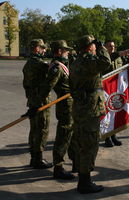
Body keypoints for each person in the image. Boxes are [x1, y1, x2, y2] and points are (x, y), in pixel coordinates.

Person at [69, 35, 111, 194]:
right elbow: (105, 62)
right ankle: (84, 182)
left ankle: (82, 177)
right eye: (94, 45)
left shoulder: (75, 62)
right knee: (89, 145)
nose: (95, 47)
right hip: (90, 109)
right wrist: (102, 47)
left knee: (81, 142)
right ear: (89, 47)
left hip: (80, 107)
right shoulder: (88, 61)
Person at [38, 40, 75, 179]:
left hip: (70, 104)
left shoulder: (62, 65)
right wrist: (37, 105)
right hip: (65, 105)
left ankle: (73, 161)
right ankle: (58, 167)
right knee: (63, 136)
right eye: (66, 50)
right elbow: (47, 87)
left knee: (70, 135)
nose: (68, 53)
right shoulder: (57, 68)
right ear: (59, 51)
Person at [22, 39, 53, 169]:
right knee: (42, 128)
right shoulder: (39, 63)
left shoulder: (29, 63)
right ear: (36, 49)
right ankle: (38, 159)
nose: (44, 50)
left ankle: (33, 157)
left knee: (34, 129)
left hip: (32, 99)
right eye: (42, 48)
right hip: (41, 100)